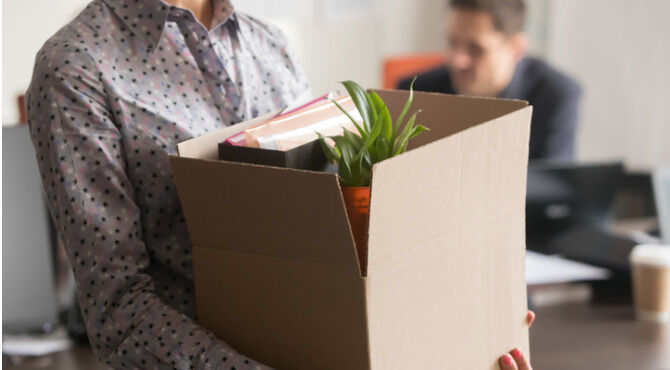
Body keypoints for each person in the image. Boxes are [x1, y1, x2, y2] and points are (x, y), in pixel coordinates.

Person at [26, 0, 534, 368]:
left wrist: (458, 326)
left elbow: (332, 247)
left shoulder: (272, 46)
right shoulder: (77, 67)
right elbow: (118, 310)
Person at [399, 0, 581, 161]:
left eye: (476, 49)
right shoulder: (417, 92)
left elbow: (554, 191)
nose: (457, 60)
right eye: (452, 42)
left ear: (516, 49)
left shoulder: (556, 94)